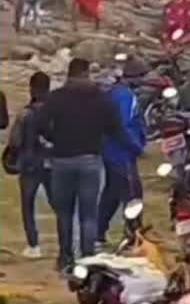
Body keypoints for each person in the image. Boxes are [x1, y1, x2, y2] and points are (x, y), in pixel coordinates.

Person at [37, 58, 131, 269]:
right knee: (88, 213)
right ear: (86, 73)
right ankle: (88, 259)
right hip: (90, 159)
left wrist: (54, 139)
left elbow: (40, 124)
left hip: (61, 160)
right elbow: (115, 127)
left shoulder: (56, 97)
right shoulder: (101, 98)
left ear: (70, 73)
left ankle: (65, 257)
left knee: (64, 213)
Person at [97, 65, 147, 244]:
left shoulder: (114, 94)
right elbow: (123, 126)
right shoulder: (126, 96)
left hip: (111, 151)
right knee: (133, 193)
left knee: (112, 192)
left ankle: (99, 231)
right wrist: (136, 147)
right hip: (122, 152)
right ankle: (135, 233)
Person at [9, 71, 52, 258]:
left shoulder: (25, 114)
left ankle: (34, 245)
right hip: (51, 162)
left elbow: (15, 141)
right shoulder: (56, 112)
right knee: (59, 204)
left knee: (28, 206)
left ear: (32, 88)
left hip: (29, 164)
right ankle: (67, 241)